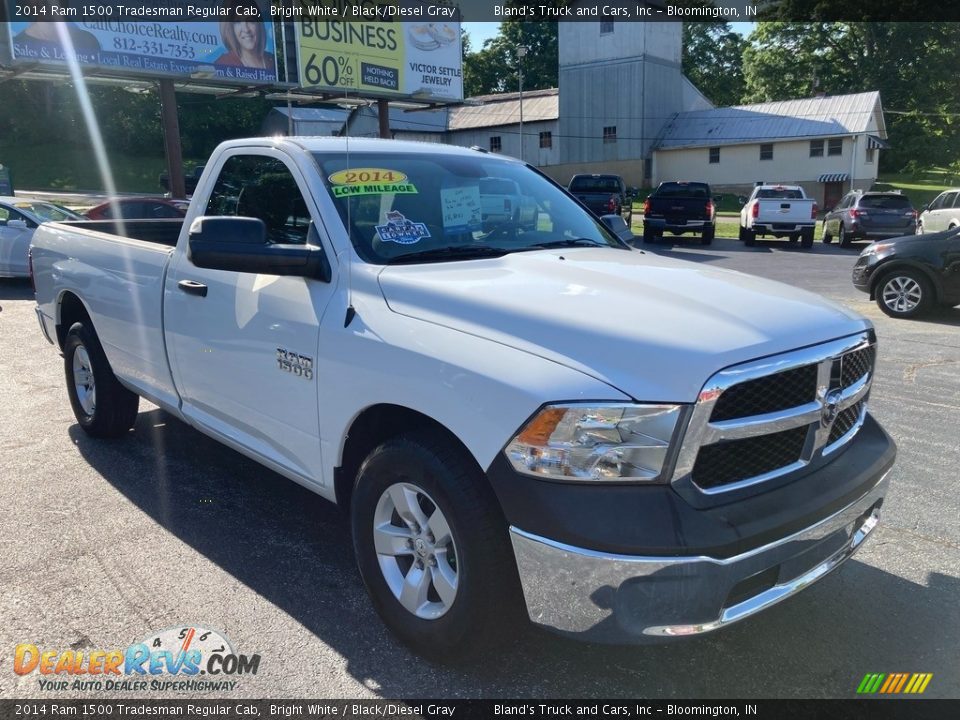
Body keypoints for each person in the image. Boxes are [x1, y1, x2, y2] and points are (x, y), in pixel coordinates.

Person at [215, 1, 275, 70]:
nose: (246, 29)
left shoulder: (273, 62)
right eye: (237, 22)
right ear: (231, 29)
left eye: (250, 20)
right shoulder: (223, 64)